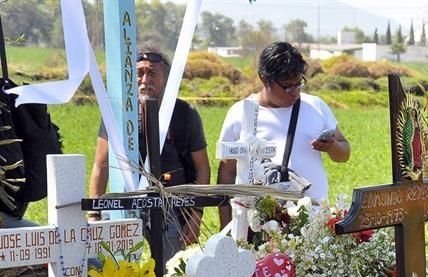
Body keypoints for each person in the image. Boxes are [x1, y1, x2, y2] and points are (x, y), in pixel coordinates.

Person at [89, 47, 210, 253]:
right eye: (139, 73)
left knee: (172, 267)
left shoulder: (185, 114)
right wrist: (94, 215)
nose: (145, 80)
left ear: (167, 80)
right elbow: (101, 165)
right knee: (113, 262)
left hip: (172, 205)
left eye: (152, 73)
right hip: (125, 201)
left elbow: (202, 168)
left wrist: (196, 215)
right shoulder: (117, 113)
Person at [216, 41, 350, 228]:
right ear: (264, 78)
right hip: (259, 224)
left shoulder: (315, 106)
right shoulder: (241, 113)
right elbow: (227, 172)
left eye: (299, 84)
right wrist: (226, 227)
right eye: (287, 86)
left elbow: (344, 153)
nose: (295, 92)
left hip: (314, 221)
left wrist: (332, 146)